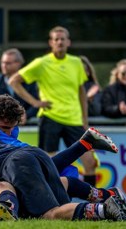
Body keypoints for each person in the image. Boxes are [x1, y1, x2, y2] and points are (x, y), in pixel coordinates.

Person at [9, 26, 98, 186]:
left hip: (74, 119)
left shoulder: (76, 62)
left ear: (68, 42)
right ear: (51, 42)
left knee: (90, 162)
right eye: (56, 39)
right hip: (50, 118)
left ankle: (93, 204)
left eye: (63, 39)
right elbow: (14, 81)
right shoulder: (41, 63)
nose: (60, 42)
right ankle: (51, 204)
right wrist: (35, 102)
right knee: (50, 164)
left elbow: (81, 92)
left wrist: (85, 120)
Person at [0, 48, 38, 123]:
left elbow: (37, 102)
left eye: (8, 63)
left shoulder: (30, 82)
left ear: (18, 63)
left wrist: (27, 115)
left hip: (29, 125)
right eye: (2, 62)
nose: (4, 65)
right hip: (1, 125)